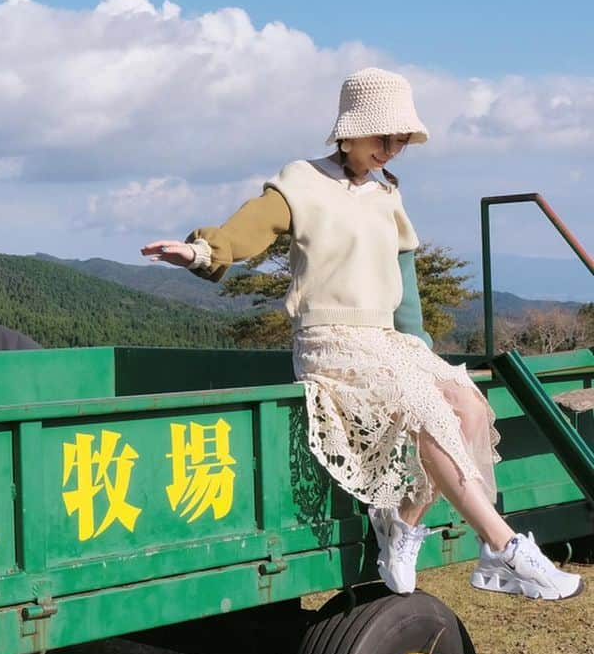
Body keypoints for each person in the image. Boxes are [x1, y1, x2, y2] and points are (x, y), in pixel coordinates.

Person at [141, 67, 583, 602]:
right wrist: (201, 251)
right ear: (352, 129)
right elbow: (252, 226)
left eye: (402, 140)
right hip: (330, 340)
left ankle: (401, 524)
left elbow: (407, 283)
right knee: (428, 414)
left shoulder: (387, 194)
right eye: (384, 136)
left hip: (387, 341)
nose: (393, 148)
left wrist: (419, 349)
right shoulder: (302, 180)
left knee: (465, 406)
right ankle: (502, 546)